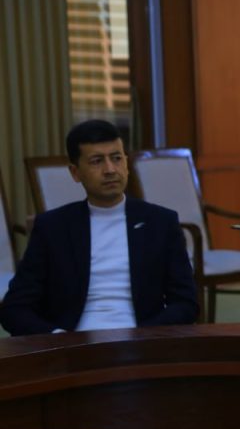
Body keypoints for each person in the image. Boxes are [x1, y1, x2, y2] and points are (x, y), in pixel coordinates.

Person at [0, 120, 198, 336]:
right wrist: (58, 337)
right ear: (75, 172)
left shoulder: (160, 222)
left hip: (142, 340)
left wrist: (146, 335)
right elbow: (14, 308)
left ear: (126, 164)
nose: (110, 170)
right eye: (97, 161)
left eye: (116, 158)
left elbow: (186, 303)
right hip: (73, 343)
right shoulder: (52, 228)